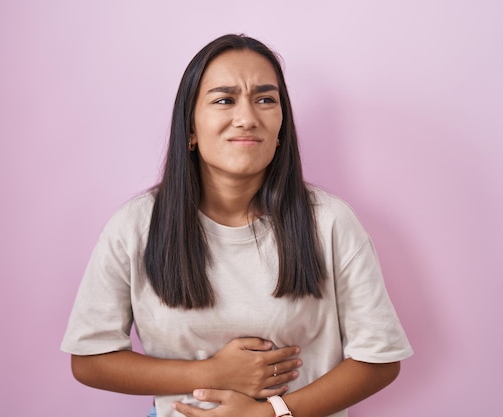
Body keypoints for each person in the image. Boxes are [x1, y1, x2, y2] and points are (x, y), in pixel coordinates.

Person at [61, 34, 413, 417]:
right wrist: (216, 372)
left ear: (281, 127)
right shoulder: (134, 226)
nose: (247, 118)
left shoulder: (330, 222)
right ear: (190, 129)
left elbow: (380, 359)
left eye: (265, 99)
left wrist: (271, 412)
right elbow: (90, 359)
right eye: (224, 100)